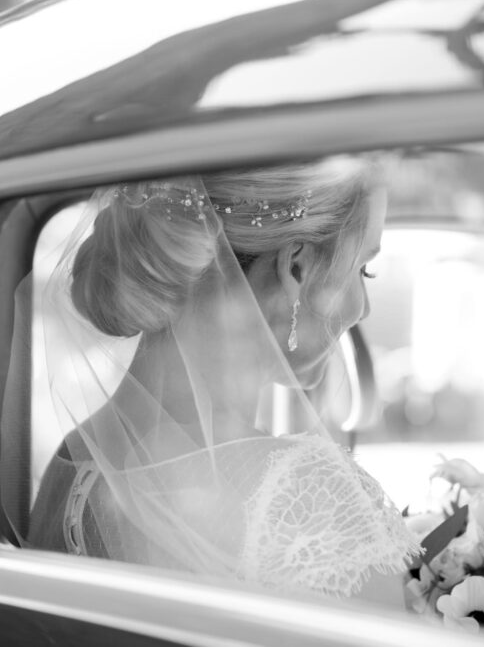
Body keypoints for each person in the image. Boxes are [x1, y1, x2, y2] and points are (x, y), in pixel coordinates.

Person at [26, 155, 419, 604]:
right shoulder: (309, 494)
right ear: (297, 268)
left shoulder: (74, 461)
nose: (363, 308)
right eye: (362, 270)